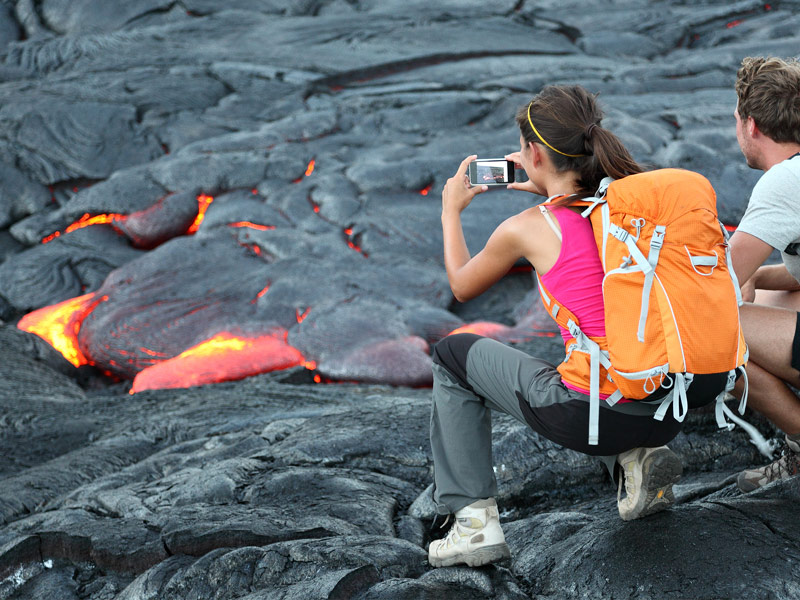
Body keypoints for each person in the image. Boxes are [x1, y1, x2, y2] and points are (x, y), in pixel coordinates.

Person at [428, 84, 728, 569]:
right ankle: (638, 461)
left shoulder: (527, 227)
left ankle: (472, 525)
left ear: (532, 154)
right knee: (613, 350)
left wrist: (450, 209)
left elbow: (462, 286)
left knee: (451, 356)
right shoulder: (632, 206)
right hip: (668, 405)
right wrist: (545, 179)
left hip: (594, 418)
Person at [727, 56, 800, 492]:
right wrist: (756, 278)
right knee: (766, 301)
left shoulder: (783, 183)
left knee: (708, 334)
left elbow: (716, 282)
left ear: (750, 125)